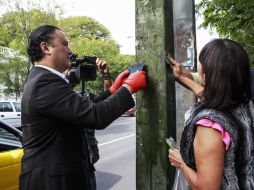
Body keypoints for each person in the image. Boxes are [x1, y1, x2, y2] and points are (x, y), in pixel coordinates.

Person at [20, 24, 146, 190]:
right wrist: (128, 87)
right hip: (51, 182)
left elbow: (83, 109)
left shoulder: (46, 79)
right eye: (64, 44)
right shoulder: (44, 82)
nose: (70, 51)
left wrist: (114, 90)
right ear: (46, 48)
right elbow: (96, 116)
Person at [168, 39, 254, 189]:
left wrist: (181, 163)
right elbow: (217, 99)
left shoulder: (210, 127)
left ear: (206, 76)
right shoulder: (245, 105)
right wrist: (182, 77)